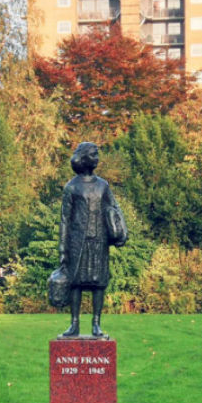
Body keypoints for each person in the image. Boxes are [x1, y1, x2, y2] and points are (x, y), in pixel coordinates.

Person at [58, 142, 127, 338]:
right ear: (84, 158)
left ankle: (96, 323)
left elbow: (115, 210)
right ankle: (74, 324)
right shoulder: (71, 187)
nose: (97, 158)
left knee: (99, 282)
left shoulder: (103, 186)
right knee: (76, 283)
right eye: (93, 154)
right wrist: (63, 248)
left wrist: (119, 232)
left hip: (99, 240)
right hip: (77, 242)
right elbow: (65, 220)